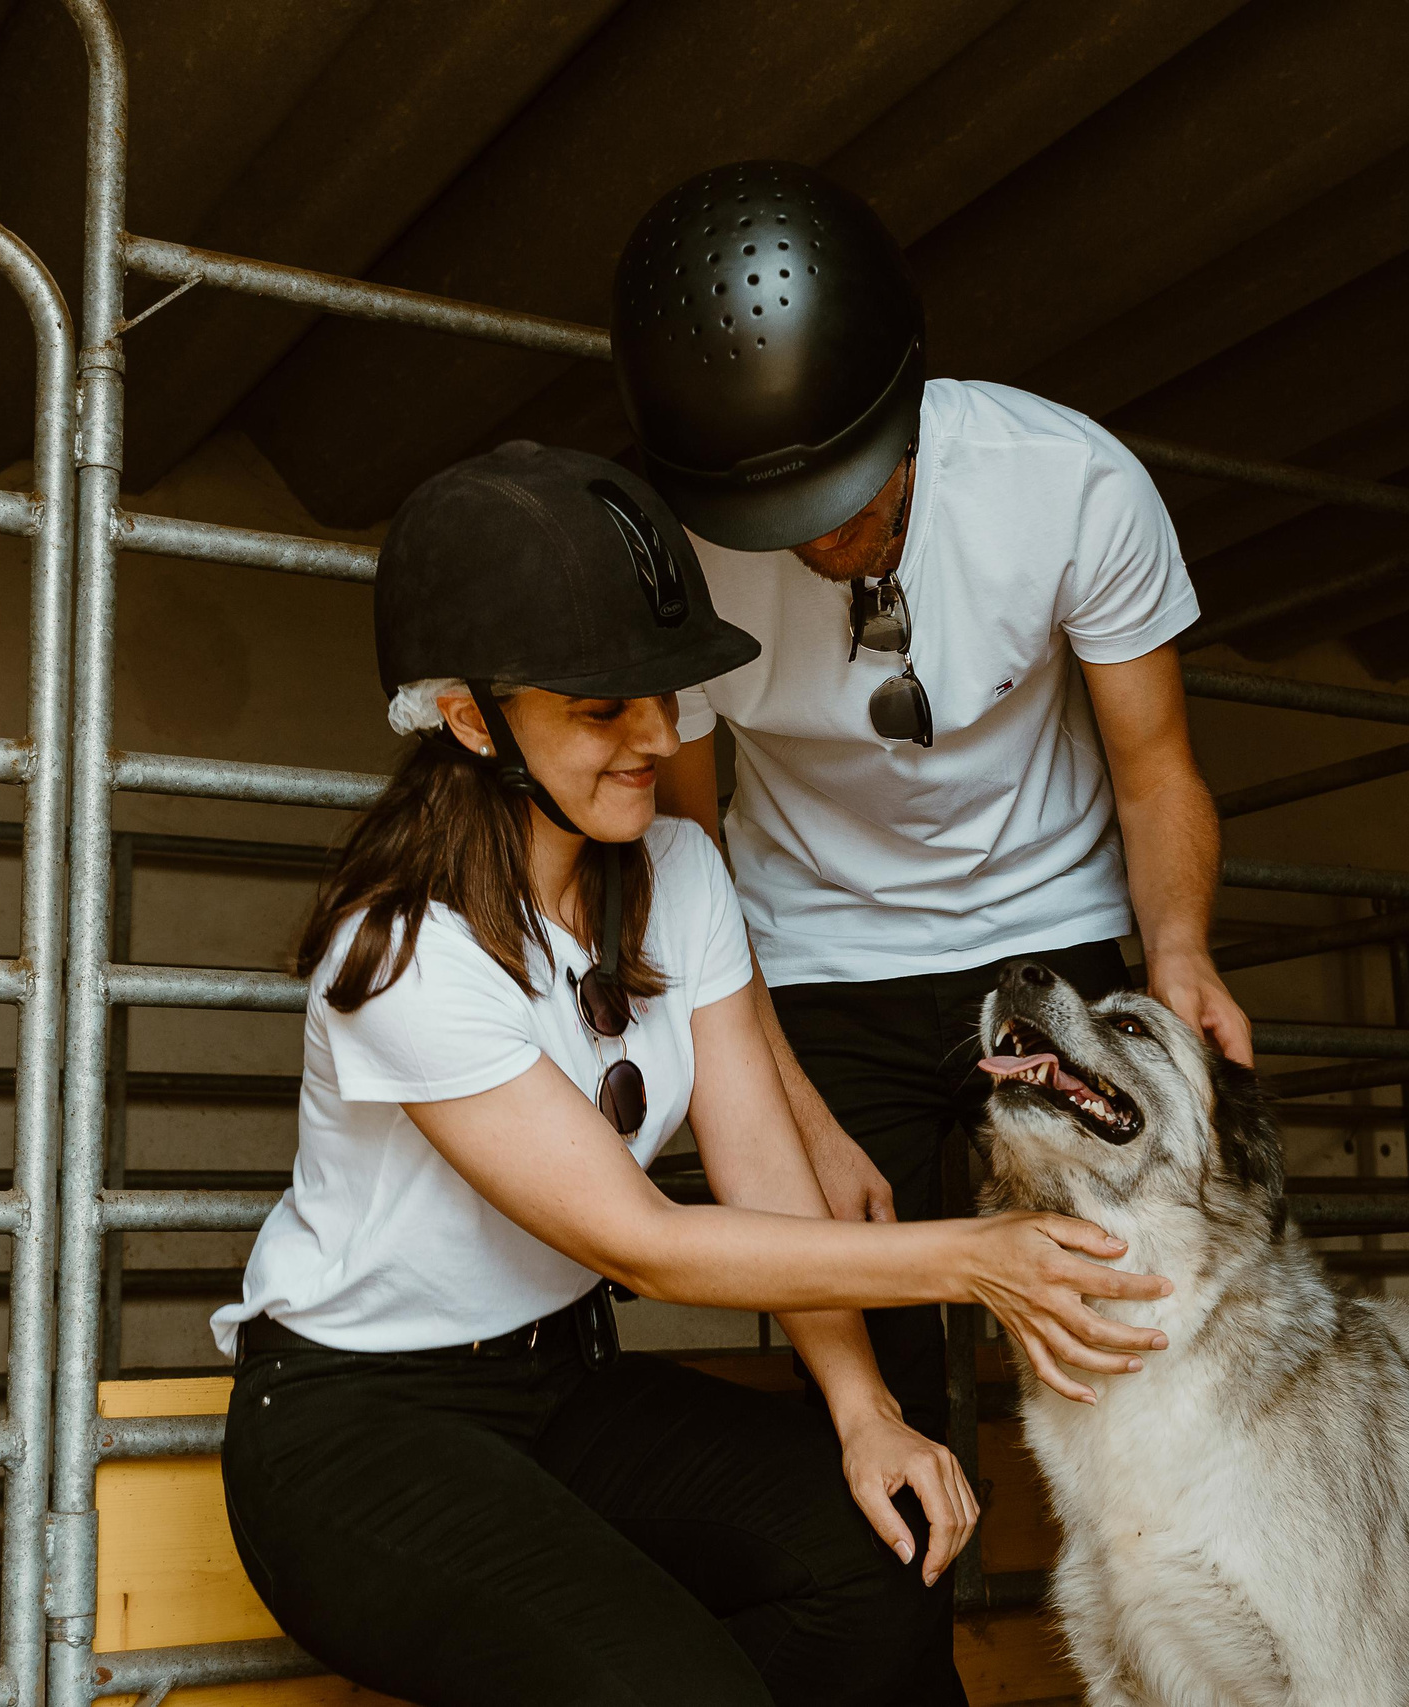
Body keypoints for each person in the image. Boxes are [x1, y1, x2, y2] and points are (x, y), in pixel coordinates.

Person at [213, 441, 1171, 1707]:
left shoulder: (681, 872)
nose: (657, 738)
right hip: (357, 1433)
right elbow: (645, 1244)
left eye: (664, 696)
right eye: (601, 710)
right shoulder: (403, 950)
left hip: (565, 1388)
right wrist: (974, 1257)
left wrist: (862, 1409)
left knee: (880, 1559)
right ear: (471, 718)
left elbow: (764, 1168)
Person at [610, 158, 1250, 1554]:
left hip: (1051, 929)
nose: (816, 536)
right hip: (814, 957)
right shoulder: (679, 561)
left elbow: (1154, 768)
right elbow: (687, 848)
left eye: (843, 499)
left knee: (1129, 1314)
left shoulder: (1069, 483)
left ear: (904, 404)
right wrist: (784, 1097)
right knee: (877, 1393)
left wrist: (1178, 954)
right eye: (780, 516)